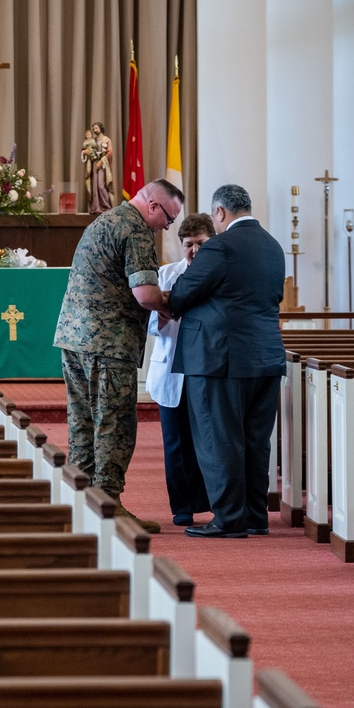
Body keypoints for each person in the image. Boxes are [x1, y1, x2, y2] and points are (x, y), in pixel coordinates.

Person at [54, 179, 184, 534]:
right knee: (114, 421)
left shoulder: (106, 220)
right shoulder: (137, 230)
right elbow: (144, 294)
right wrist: (171, 304)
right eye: (169, 219)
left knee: (82, 420)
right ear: (154, 207)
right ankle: (107, 503)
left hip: (73, 338)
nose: (168, 227)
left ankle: (79, 500)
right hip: (108, 342)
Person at [168, 183, 285, 539]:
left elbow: (185, 292)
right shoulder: (272, 245)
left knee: (218, 438)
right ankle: (254, 516)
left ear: (219, 213)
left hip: (219, 358)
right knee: (255, 440)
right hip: (265, 356)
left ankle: (228, 519)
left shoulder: (220, 246)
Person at [145, 213, 215, 526]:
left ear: (211, 242)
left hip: (206, 368)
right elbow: (149, 325)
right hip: (171, 368)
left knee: (208, 439)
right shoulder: (166, 274)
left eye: (200, 244)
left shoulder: (218, 276)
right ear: (181, 245)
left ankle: (211, 501)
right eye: (189, 245)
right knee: (175, 442)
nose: (194, 251)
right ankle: (182, 507)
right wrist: (167, 311)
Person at [81, 121, 113, 213]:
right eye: (93, 129)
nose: (95, 130)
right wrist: (86, 153)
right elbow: (88, 150)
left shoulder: (107, 140)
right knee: (94, 186)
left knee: (101, 185)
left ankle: (106, 207)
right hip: (94, 164)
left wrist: (102, 160)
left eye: (96, 128)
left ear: (101, 128)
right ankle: (95, 207)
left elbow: (109, 152)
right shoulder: (93, 140)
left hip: (102, 165)